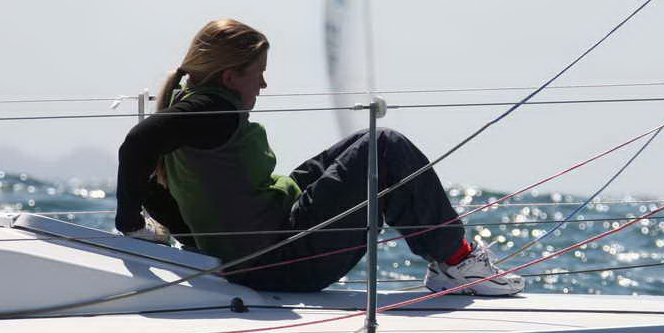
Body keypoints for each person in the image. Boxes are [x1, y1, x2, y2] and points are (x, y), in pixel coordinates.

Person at [115, 18, 523, 295]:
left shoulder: (190, 103)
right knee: (384, 146)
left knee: (355, 146)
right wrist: (130, 225)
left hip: (263, 247)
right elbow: (137, 144)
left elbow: (151, 173)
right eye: (258, 72)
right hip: (281, 263)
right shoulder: (211, 111)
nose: (264, 84)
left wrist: (194, 239)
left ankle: (448, 261)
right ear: (230, 77)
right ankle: (457, 261)